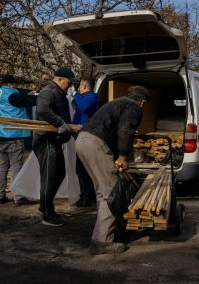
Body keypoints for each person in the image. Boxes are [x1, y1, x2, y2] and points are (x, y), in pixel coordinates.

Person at [75, 85, 150, 255]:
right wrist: (123, 156)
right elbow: (126, 130)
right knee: (112, 193)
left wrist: (118, 155)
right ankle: (102, 241)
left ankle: (104, 234)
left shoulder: (117, 102)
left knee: (102, 191)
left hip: (82, 140)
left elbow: (115, 131)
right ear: (142, 102)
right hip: (95, 143)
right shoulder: (133, 107)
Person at [33, 67, 75, 226]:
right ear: (59, 79)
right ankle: (47, 214)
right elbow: (43, 110)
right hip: (46, 140)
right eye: (68, 83)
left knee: (59, 174)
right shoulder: (49, 91)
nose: (70, 86)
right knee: (50, 177)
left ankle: (44, 206)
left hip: (53, 141)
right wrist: (60, 123)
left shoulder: (58, 92)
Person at [0, 74, 37, 204]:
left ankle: (0, 196)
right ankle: (19, 197)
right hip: (13, 135)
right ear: (11, 84)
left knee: (3, 167)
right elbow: (25, 102)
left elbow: (17, 101)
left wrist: (26, 96)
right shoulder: (11, 95)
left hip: (0, 134)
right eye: (14, 84)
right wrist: (39, 97)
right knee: (16, 166)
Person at [72, 77, 100, 207]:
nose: (78, 89)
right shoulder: (82, 98)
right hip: (80, 135)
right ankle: (88, 195)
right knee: (81, 169)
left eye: (79, 87)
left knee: (84, 169)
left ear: (84, 87)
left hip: (88, 137)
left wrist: (75, 94)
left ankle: (87, 197)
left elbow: (83, 106)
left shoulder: (92, 97)